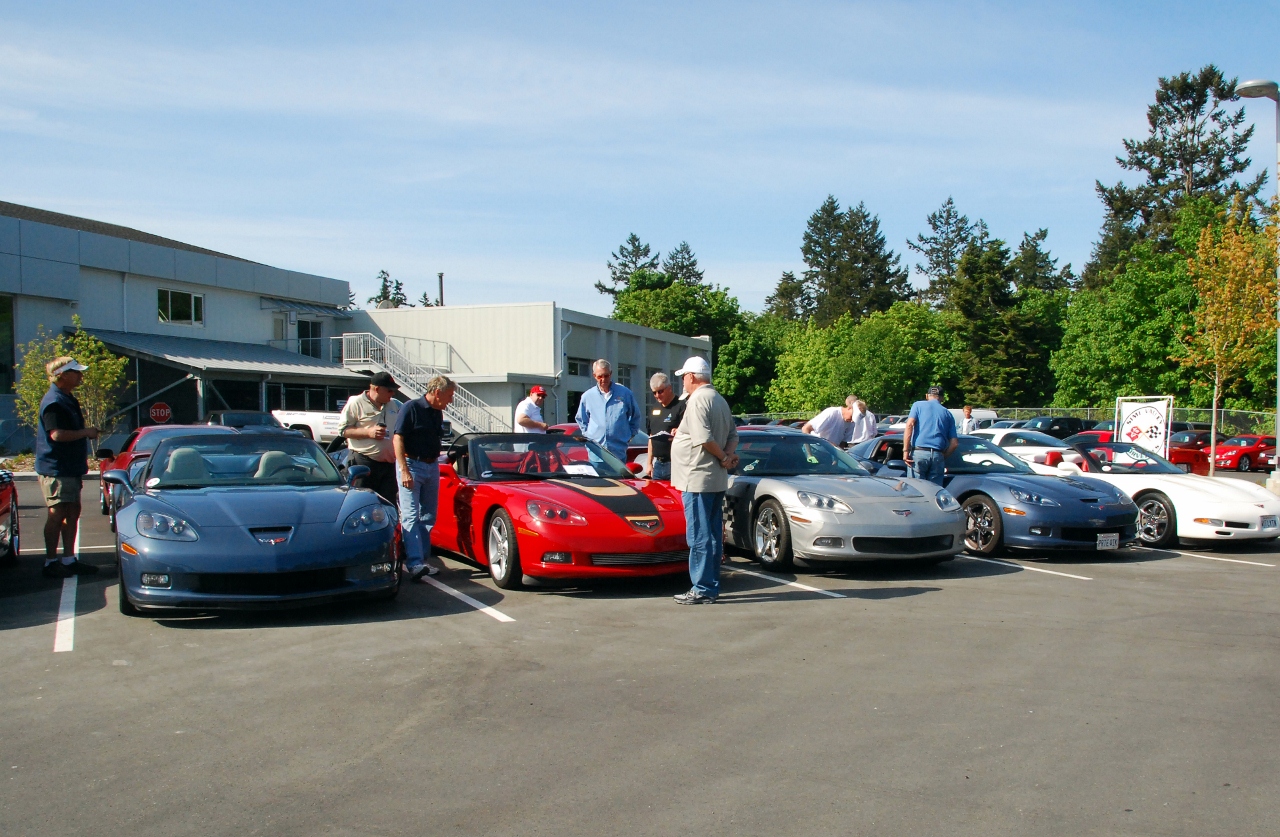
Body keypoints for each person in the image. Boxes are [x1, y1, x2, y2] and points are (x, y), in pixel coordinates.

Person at [670, 356, 738, 605]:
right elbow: (733, 434)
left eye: (683, 378)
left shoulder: (698, 400)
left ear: (691, 377)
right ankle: (709, 585)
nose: (683, 383)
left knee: (699, 536)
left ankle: (702, 587)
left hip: (697, 478)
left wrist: (722, 457)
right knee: (710, 534)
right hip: (714, 479)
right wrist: (728, 457)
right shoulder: (719, 399)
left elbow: (703, 438)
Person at [36, 357, 100, 578]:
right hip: (57, 469)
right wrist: (86, 432)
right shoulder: (54, 402)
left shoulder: (67, 398)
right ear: (62, 374)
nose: (80, 376)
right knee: (57, 513)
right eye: (76, 372)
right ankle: (50, 562)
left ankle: (69, 559)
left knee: (72, 512)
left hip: (69, 468)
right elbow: (56, 434)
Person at [393, 375, 456, 580]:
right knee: (411, 515)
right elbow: (398, 438)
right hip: (412, 465)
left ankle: (423, 560)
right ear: (437, 392)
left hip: (432, 465)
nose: (451, 400)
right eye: (448, 395)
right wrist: (404, 470)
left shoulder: (437, 413)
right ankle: (414, 562)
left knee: (429, 515)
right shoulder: (410, 408)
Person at [337, 371, 401, 505]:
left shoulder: (393, 404)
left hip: (388, 466)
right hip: (364, 463)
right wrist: (369, 432)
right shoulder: (356, 402)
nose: (392, 394)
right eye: (389, 390)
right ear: (376, 389)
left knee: (388, 504)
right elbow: (343, 431)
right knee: (362, 503)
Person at [574, 359, 642, 461]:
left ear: (611, 374)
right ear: (594, 376)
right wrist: (589, 436)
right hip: (596, 453)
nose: (603, 379)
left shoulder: (625, 393)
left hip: (618, 452)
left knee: (619, 477)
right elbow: (581, 419)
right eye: (599, 376)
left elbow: (635, 417)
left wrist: (629, 435)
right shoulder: (587, 396)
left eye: (606, 375)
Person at [902, 385, 959, 486]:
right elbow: (954, 443)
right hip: (938, 454)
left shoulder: (918, 405)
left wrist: (906, 450)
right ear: (941, 398)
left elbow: (909, 424)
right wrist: (942, 456)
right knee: (934, 491)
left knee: (916, 489)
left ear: (927, 396)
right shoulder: (948, 414)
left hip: (919, 453)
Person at [646, 372, 686, 481]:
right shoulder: (654, 408)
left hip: (675, 463)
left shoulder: (680, 406)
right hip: (658, 464)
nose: (657, 395)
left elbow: (688, 433)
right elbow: (651, 437)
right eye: (654, 393)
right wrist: (649, 463)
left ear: (669, 388)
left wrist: (678, 433)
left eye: (660, 391)